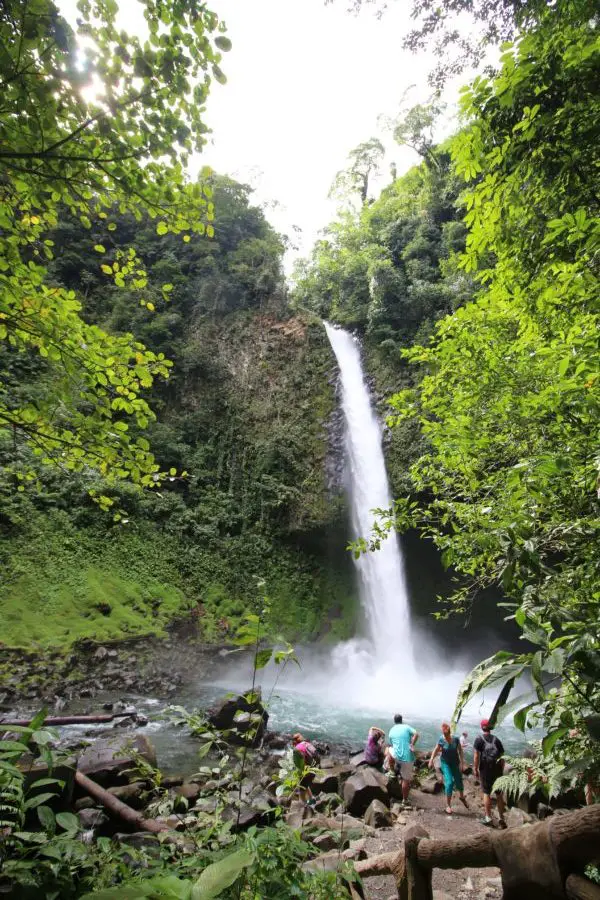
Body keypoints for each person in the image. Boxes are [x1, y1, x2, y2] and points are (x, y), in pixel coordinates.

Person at [429, 722, 469, 816]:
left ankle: (462, 797)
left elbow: (460, 750)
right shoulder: (441, 739)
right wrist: (431, 759)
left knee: (459, 780)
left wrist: (462, 763)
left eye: (446, 735)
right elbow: (436, 749)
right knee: (449, 782)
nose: (445, 736)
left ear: (449, 733)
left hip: (455, 763)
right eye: (444, 734)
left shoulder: (455, 739)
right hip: (445, 763)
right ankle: (448, 805)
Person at [473, 719, 507, 828]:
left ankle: (488, 818)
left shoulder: (479, 739)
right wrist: (501, 770)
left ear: (482, 727)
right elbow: (502, 757)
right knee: (499, 794)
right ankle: (502, 818)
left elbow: (476, 756)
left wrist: (475, 768)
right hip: (497, 769)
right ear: (490, 728)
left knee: (486, 793)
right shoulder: (496, 739)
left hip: (485, 769)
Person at [386, 713, 419, 806]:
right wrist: (412, 744)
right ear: (402, 720)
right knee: (406, 780)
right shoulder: (406, 727)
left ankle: (392, 771)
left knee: (388, 749)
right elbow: (417, 734)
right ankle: (404, 801)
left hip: (396, 757)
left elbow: (392, 745)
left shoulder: (391, 730)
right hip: (408, 759)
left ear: (394, 721)